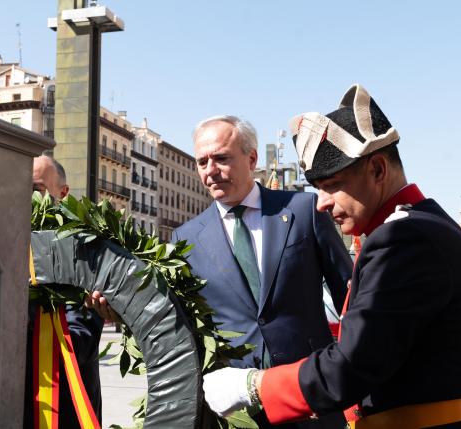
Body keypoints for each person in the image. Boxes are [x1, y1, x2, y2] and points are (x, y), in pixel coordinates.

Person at [201, 84, 461, 428]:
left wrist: (254, 386)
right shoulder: (417, 224)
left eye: (331, 185)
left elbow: (355, 364)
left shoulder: (404, 238)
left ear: (377, 170)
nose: (322, 203)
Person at [90, 116, 352, 428]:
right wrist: (124, 310)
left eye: (221, 158)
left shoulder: (303, 210)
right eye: (202, 162)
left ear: (251, 158)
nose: (210, 170)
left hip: (311, 397)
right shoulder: (185, 239)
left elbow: (351, 300)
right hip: (236, 412)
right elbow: (178, 320)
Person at [26, 154, 104, 428]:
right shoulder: (3, 241)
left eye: (36, 189)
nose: (28, 199)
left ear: (63, 193)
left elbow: (80, 341)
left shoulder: (84, 250)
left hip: (65, 410)